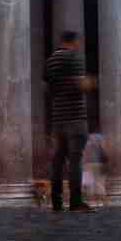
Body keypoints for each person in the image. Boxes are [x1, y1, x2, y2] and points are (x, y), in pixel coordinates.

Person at [44, 31, 95, 213]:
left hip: (58, 118)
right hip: (76, 117)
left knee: (57, 161)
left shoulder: (50, 61)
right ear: (73, 42)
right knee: (75, 160)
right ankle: (75, 202)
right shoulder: (74, 58)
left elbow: (48, 89)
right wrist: (90, 83)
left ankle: (56, 203)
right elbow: (80, 84)